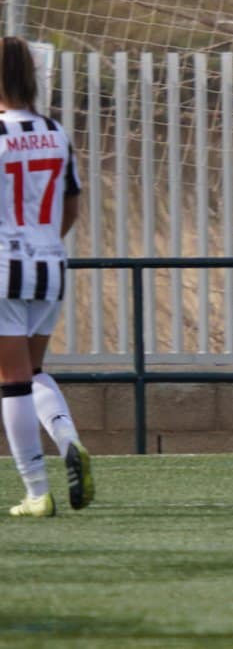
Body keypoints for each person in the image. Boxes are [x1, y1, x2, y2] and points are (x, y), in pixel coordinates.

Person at [1, 37, 91, 517]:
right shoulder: (55, 132)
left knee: (10, 380)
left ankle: (37, 491)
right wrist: (42, 238)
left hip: (2, 265)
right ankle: (69, 439)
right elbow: (71, 204)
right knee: (33, 372)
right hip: (49, 262)